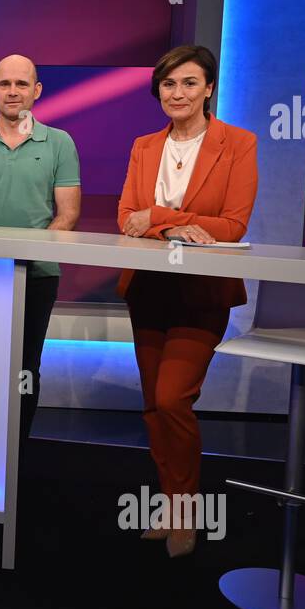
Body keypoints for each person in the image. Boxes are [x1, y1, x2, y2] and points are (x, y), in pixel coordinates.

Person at [117, 44, 258, 558]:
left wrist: (156, 218)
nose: (178, 93)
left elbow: (231, 226)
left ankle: (186, 509)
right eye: (169, 84)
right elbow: (124, 217)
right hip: (149, 287)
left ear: (210, 88)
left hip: (203, 292)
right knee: (154, 403)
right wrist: (175, 222)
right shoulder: (143, 146)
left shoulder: (238, 143)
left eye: (190, 83)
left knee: (175, 397)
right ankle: (169, 502)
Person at [0, 54, 82, 446]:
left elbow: (67, 214)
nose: (13, 92)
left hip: (37, 276)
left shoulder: (59, 143)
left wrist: (26, 256)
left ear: (36, 91)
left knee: (25, 369)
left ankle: (16, 453)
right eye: (4, 84)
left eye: (22, 84)